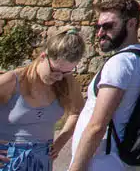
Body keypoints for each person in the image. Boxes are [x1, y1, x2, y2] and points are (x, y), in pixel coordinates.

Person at [68, 0, 140, 171]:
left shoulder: (120, 63)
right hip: (122, 160)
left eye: (108, 26)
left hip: (102, 161)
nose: (100, 33)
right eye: (98, 27)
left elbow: (97, 125)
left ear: (131, 24)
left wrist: (75, 168)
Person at [2, 29, 85, 171]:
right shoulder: (12, 80)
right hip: (8, 159)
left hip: (42, 160)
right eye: (55, 70)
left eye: (66, 72)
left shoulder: (67, 82)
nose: (59, 77)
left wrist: (60, 142)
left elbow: (77, 112)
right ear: (43, 57)